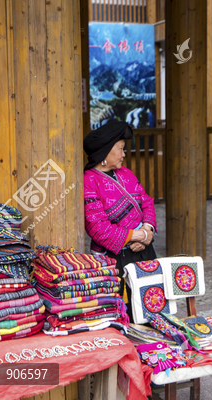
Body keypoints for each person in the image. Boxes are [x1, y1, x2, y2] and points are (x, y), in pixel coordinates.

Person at [83, 120, 157, 316]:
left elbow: (147, 201)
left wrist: (148, 231)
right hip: (115, 259)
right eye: (121, 149)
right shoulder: (89, 180)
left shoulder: (126, 173)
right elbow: (97, 227)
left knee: (152, 305)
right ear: (105, 151)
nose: (124, 154)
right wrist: (139, 235)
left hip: (144, 251)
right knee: (125, 313)